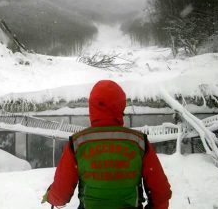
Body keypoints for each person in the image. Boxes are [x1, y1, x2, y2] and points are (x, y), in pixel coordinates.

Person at [42, 80, 172, 209]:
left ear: (92, 107)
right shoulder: (138, 142)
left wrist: (50, 196)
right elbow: (161, 192)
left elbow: (60, 195)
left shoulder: (78, 143)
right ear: (120, 106)